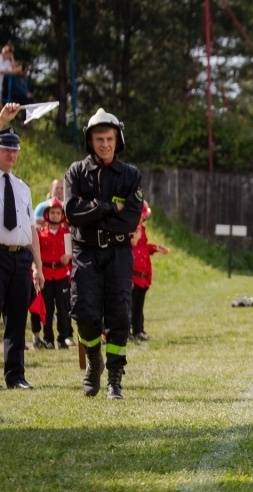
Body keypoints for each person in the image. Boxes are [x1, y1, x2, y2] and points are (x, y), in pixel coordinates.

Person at [64, 108, 143, 400]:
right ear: (91, 140)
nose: (105, 144)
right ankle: (93, 360)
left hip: (119, 253)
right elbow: (73, 213)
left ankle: (114, 379)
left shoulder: (130, 175)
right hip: (86, 251)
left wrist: (92, 209)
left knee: (120, 316)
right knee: (84, 313)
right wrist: (109, 206)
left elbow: (131, 220)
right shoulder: (75, 172)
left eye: (109, 138)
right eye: (99, 139)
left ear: (117, 139)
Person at [0, 126, 45, 389]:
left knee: (17, 319)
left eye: (15, 150)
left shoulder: (22, 187)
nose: (11, 155)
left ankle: (15, 376)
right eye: (6, 149)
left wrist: (37, 265)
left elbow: (31, 230)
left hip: (20, 259)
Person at [130, 200, 169, 342]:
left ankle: (138, 330)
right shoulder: (131, 229)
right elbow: (133, 245)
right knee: (130, 306)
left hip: (143, 276)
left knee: (138, 306)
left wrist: (155, 248)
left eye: (142, 217)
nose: (141, 219)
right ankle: (128, 332)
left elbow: (143, 247)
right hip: (132, 277)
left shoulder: (142, 229)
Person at [37, 198, 74, 349]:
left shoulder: (67, 234)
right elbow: (36, 253)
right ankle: (48, 338)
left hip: (61, 274)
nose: (55, 215)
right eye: (52, 212)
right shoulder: (41, 234)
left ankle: (62, 338)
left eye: (58, 213)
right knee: (48, 308)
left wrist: (69, 256)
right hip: (46, 274)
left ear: (62, 215)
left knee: (63, 308)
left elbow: (73, 252)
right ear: (47, 214)